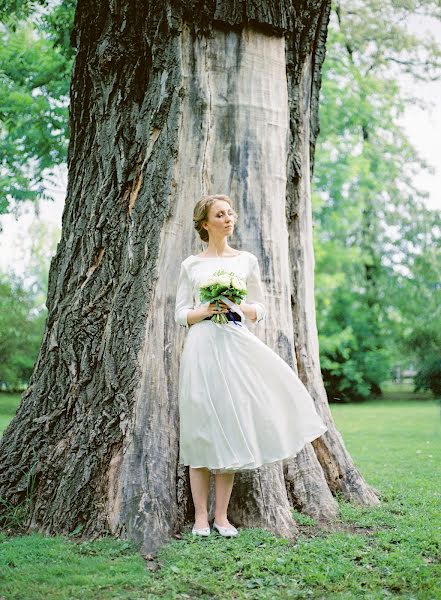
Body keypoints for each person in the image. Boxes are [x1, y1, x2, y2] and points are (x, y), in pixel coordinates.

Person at [174, 194, 328, 538]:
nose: (228, 219)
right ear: (205, 223)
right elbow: (180, 312)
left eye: (230, 213)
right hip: (201, 348)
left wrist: (237, 307)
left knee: (231, 424)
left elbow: (261, 307)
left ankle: (222, 517)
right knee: (200, 428)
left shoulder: (245, 261)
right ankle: (200, 517)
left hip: (235, 345)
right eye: (220, 214)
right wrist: (206, 310)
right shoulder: (191, 265)